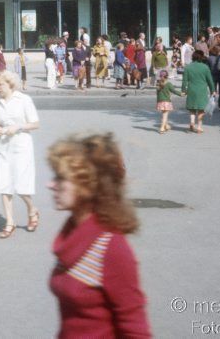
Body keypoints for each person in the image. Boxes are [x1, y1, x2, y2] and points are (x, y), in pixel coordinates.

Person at [47, 133, 151, 339]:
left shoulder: (111, 248)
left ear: (87, 185)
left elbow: (135, 329)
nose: (50, 185)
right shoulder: (72, 231)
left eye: (61, 178)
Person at [0, 71, 40, 239]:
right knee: (4, 185)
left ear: (10, 84)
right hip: (4, 147)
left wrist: (18, 127)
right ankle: (10, 222)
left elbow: (35, 123)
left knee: (21, 186)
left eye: (0, 85)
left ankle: (32, 209)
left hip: (21, 146)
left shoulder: (24, 100)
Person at [182, 50, 216, 134]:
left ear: (193, 57)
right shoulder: (205, 67)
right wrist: (213, 90)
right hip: (202, 90)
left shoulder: (188, 67)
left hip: (191, 90)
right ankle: (199, 127)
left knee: (192, 108)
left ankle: (192, 122)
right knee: (201, 109)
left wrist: (183, 90)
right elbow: (210, 80)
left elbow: (184, 81)